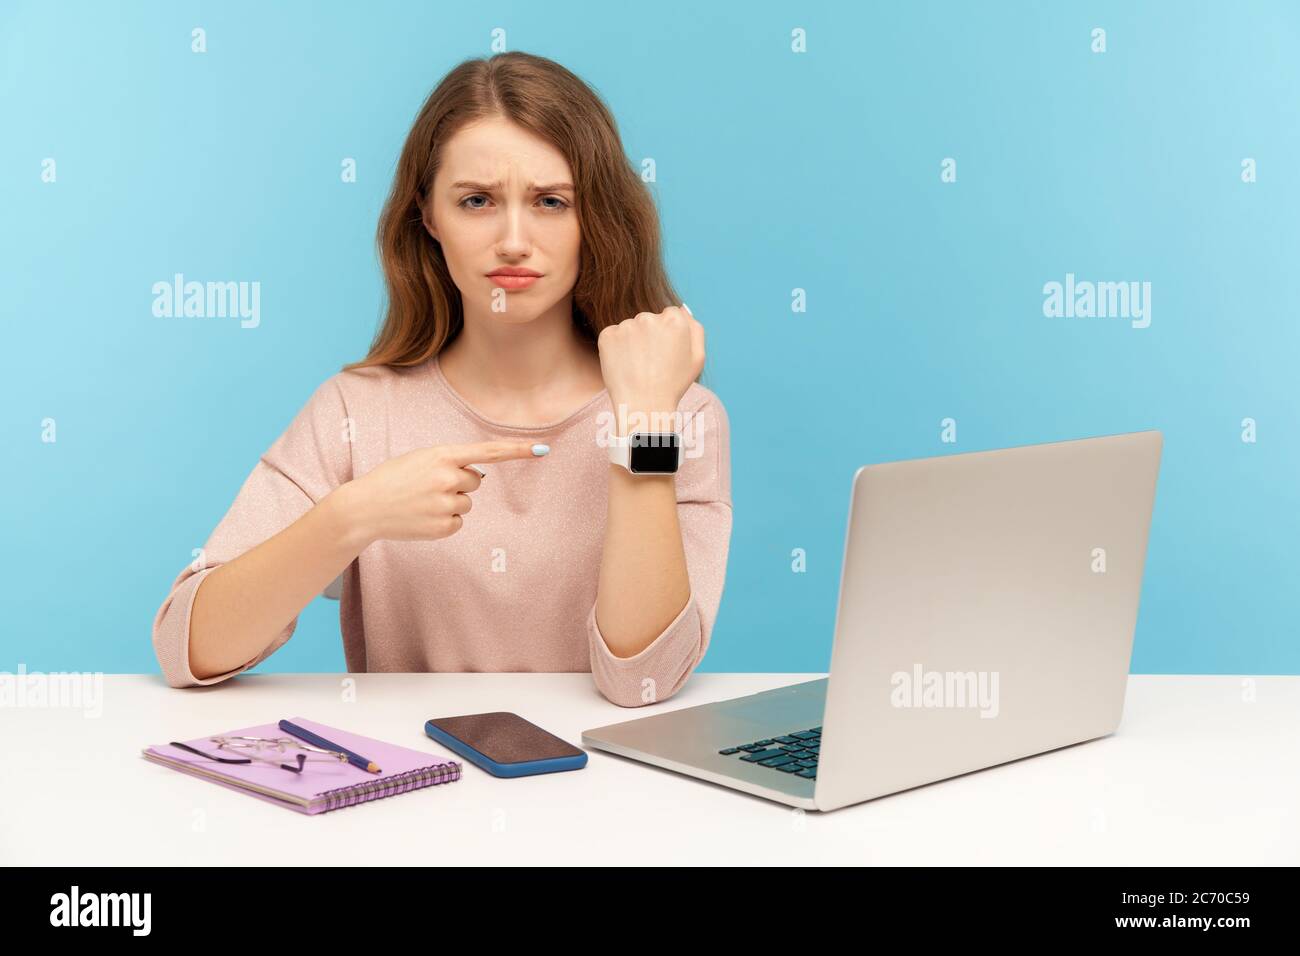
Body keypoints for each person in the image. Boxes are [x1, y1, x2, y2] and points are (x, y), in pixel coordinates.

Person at [151, 52, 732, 707]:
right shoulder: (355, 410)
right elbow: (185, 646)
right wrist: (351, 517)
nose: (514, 240)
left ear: (592, 218)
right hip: (417, 792)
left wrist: (646, 423)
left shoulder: (682, 418)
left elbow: (640, 679)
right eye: (477, 201)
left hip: (606, 788)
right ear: (428, 215)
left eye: (550, 201)